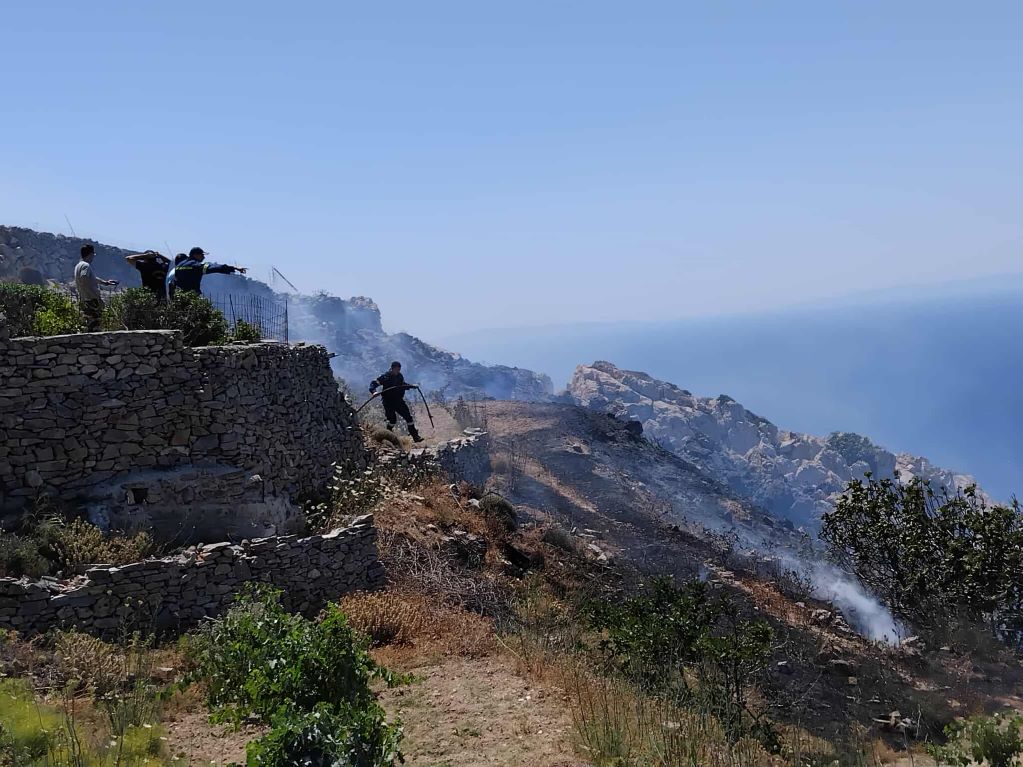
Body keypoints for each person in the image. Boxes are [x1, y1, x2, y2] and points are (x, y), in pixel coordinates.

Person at [369, 361, 424, 442]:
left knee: (408, 418)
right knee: (392, 420)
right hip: (388, 402)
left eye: (399, 369)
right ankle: (388, 434)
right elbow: (373, 384)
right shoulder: (385, 376)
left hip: (399, 401)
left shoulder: (399, 376)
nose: (398, 371)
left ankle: (415, 436)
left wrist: (412, 386)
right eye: (396, 369)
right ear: (392, 368)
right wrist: (374, 392)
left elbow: (402, 385)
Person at [169, 247, 247, 296]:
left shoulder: (179, 265)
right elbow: (215, 268)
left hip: (177, 295)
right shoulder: (196, 265)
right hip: (191, 296)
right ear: (195, 255)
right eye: (202, 255)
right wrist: (234, 268)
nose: (204, 257)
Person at [73, 244, 118, 331]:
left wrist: (105, 283)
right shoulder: (86, 266)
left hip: (85, 299)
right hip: (91, 300)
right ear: (90, 254)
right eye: (93, 255)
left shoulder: (78, 265)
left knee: (89, 322)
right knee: (95, 323)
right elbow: (84, 278)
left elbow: (91, 278)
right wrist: (95, 296)